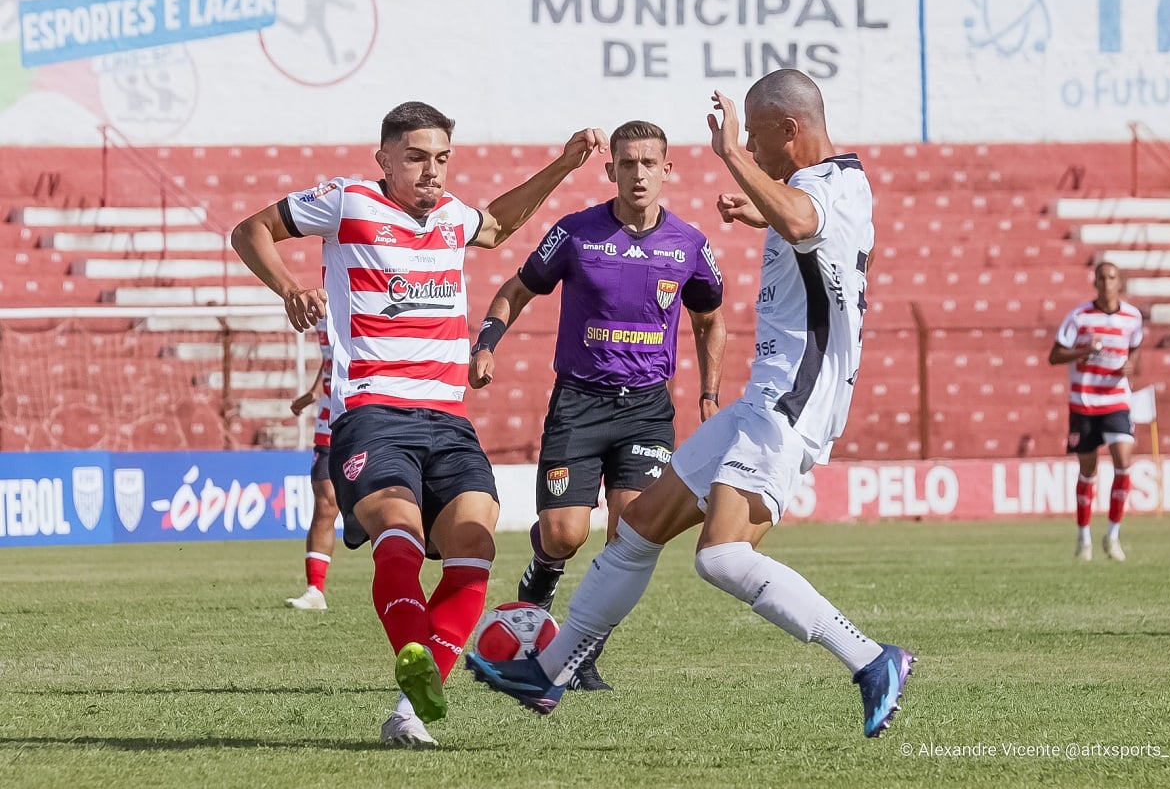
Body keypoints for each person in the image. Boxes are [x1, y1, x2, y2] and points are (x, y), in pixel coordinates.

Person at [466, 69, 915, 739]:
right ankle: (547, 673)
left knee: (720, 556)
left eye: (760, 141)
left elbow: (801, 219)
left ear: (789, 131)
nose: (754, 153)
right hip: (763, 394)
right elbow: (811, 227)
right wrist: (755, 205)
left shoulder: (816, 191)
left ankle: (873, 658)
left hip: (794, 397)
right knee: (637, 529)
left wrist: (729, 152)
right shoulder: (844, 183)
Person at [232, 101, 606, 748]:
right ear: (384, 159)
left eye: (441, 158)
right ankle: (414, 656)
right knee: (398, 533)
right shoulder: (346, 202)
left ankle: (410, 704)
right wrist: (290, 285)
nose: (431, 171)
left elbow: (496, 227)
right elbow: (250, 230)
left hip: (446, 418)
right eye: (416, 157)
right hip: (373, 412)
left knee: (475, 546)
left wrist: (563, 165)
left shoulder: (454, 217)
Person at [468, 120, 727, 691]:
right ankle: (540, 581)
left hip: (646, 410)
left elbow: (710, 320)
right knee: (563, 534)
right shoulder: (576, 234)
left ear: (667, 168)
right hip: (580, 403)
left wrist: (710, 392)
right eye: (627, 164)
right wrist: (487, 342)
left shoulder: (689, 245)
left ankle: (579, 654)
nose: (638, 174)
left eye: (648, 163)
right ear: (610, 171)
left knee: (631, 534)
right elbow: (515, 289)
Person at [1048, 262, 1143, 562]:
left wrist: (1132, 365)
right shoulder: (1079, 317)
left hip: (1116, 400)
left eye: (1111, 277)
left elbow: (1135, 346)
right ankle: (1083, 537)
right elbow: (1054, 355)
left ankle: (1113, 535)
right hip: (1085, 402)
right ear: (1095, 283)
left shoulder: (1133, 317)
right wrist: (1083, 351)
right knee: (1088, 470)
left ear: (1120, 282)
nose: (1106, 282)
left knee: (1123, 461)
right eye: (1101, 277)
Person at [284, 316, 340, 610]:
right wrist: (315, 392)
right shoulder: (322, 311)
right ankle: (315, 590)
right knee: (326, 501)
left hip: (366, 414)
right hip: (328, 420)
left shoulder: (363, 298)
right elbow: (332, 357)